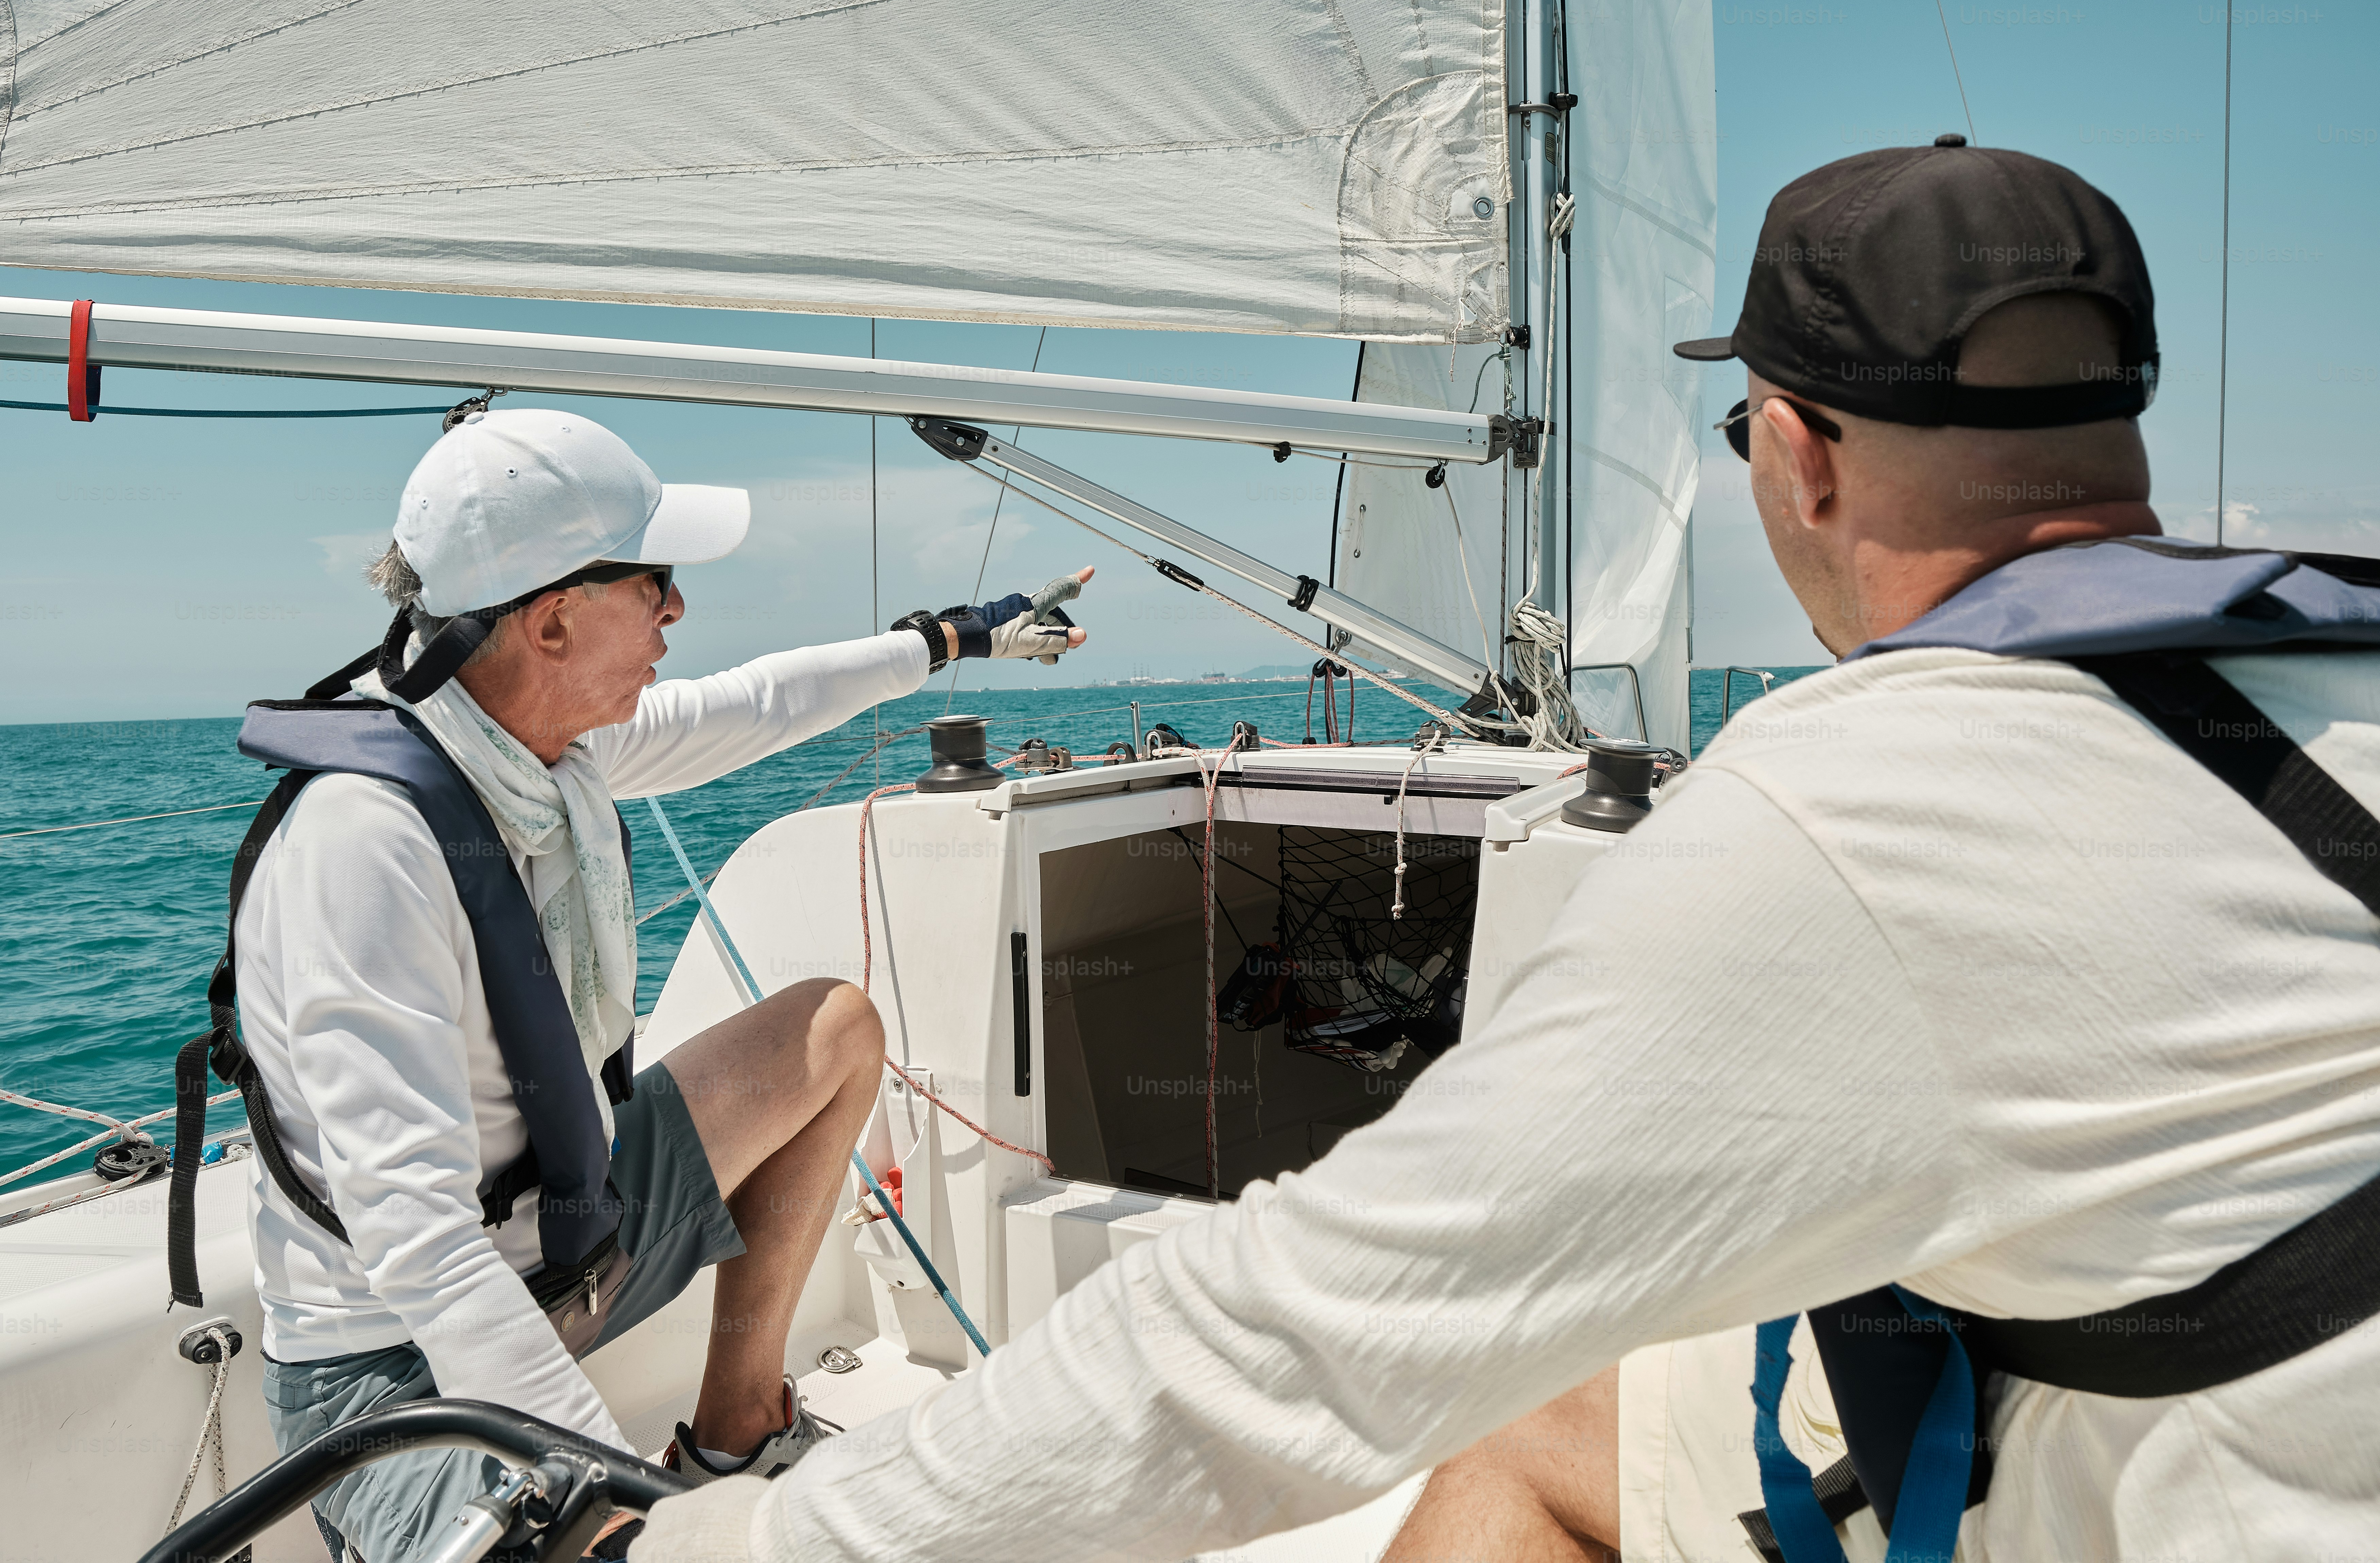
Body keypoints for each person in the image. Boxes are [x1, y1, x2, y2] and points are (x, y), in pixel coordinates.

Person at [629, 144, 2380, 1562]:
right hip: (2272, 1397)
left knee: (1514, 1464)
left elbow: (1296, 1335)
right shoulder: (2336, 666)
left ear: (1795, 456)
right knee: (1587, 1423)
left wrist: (732, 1552)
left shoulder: (1856, 806)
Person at [209, 405, 1092, 1563]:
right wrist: (629, 1505)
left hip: (558, 1251)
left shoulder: (545, 743)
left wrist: (953, 638)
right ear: (554, 618)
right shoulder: (364, 848)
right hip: (391, 1370)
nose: (678, 609)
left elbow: (769, 700)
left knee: (834, 1032)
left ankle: (738, 1429)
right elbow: (422, 1251)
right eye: (656, 580)